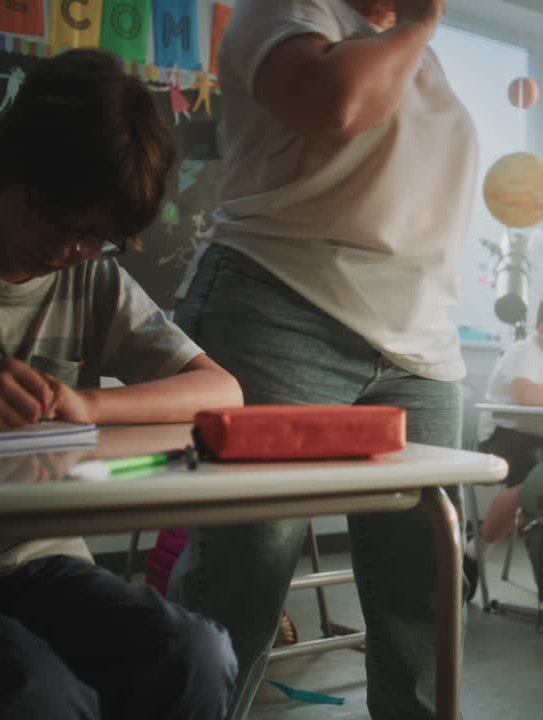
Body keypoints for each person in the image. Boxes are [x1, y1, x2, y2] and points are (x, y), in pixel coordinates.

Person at [0, 48, 242, 720]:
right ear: (10, 169)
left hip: (36, 557)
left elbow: (220, 392)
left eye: (93, 235)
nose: (63, 250)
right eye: (52, 219)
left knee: (196, 655)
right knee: (35, 695)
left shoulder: (92, 281)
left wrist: (87, 403)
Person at [165, 0, 478, 716]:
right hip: (280, 305)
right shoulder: (290, 10)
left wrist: (410, 34)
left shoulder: (415, 54)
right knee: (242, 582)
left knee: (425, 593)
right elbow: (333, 101)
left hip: (421, 341)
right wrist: (420, 24)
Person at [476, 286, 543, 546]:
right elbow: (526, 395)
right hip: (504, 435)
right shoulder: (522, 351)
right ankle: (475, 549)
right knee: (536, 480)